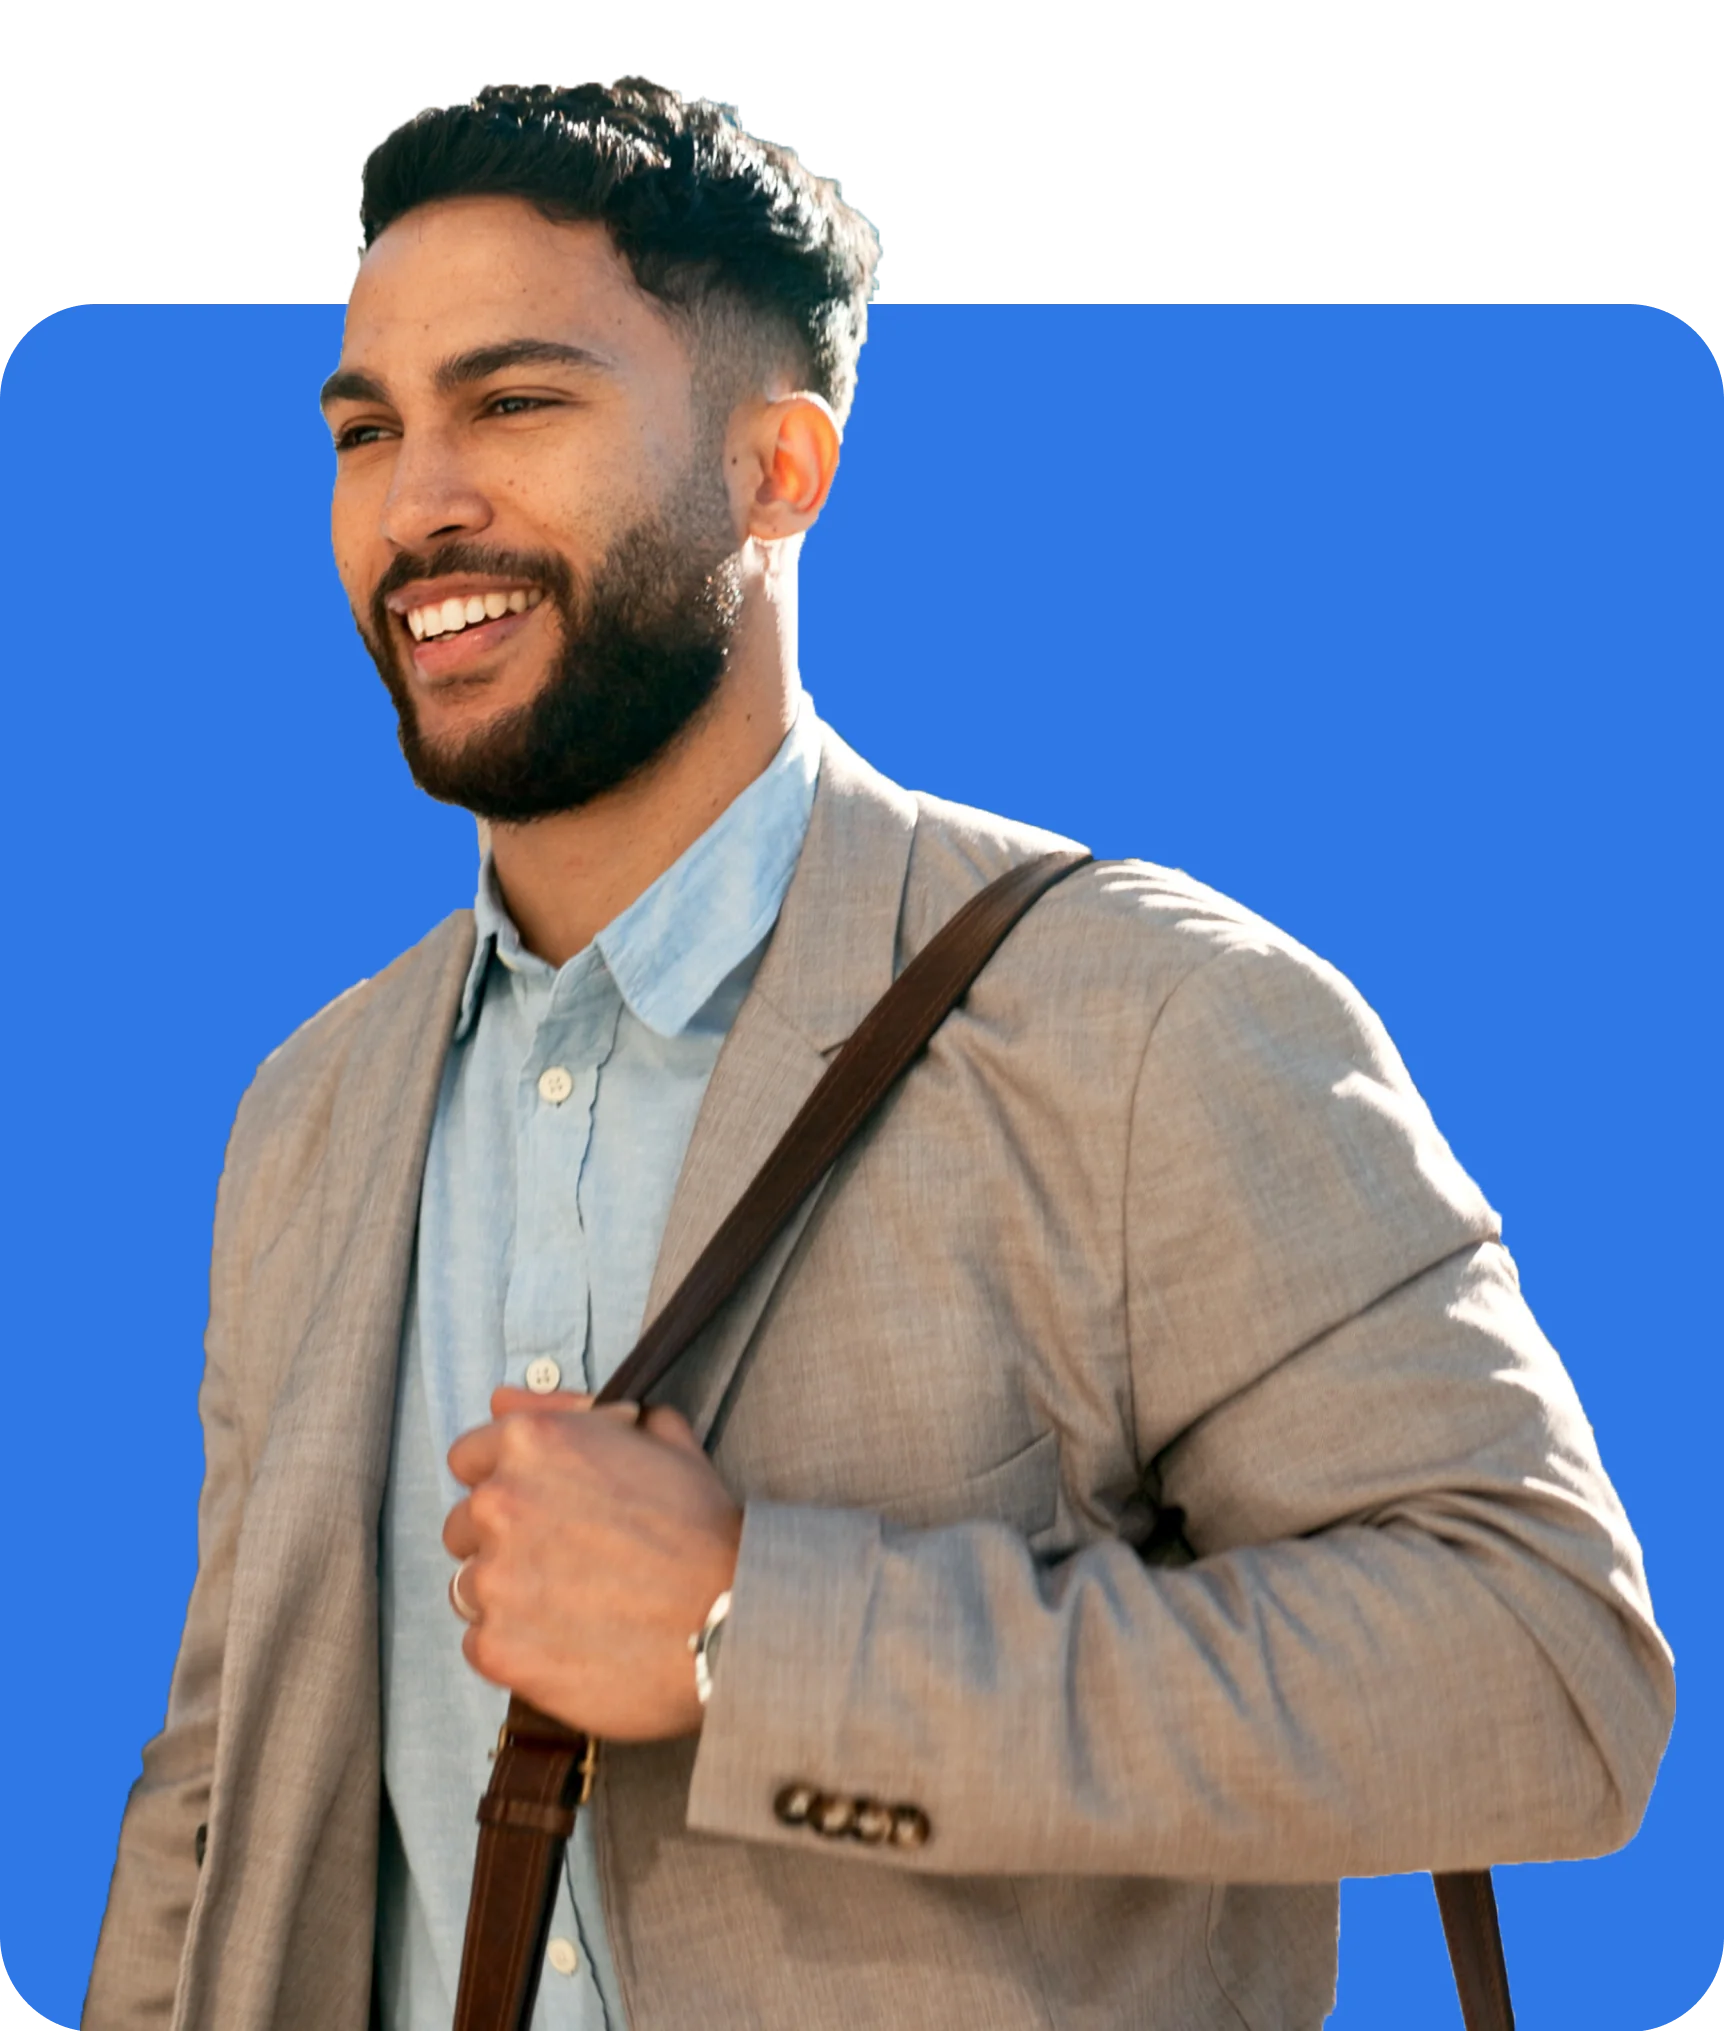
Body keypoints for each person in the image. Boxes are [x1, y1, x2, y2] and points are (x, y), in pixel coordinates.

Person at [83, 75, 1675, 2031]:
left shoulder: (1149, 1023)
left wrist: (756, 1632)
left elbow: (1547, 1677)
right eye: (367, 431)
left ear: (777, 467)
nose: (417, 506)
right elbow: (221, 1797)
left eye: (514, 405)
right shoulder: (306, 1113)